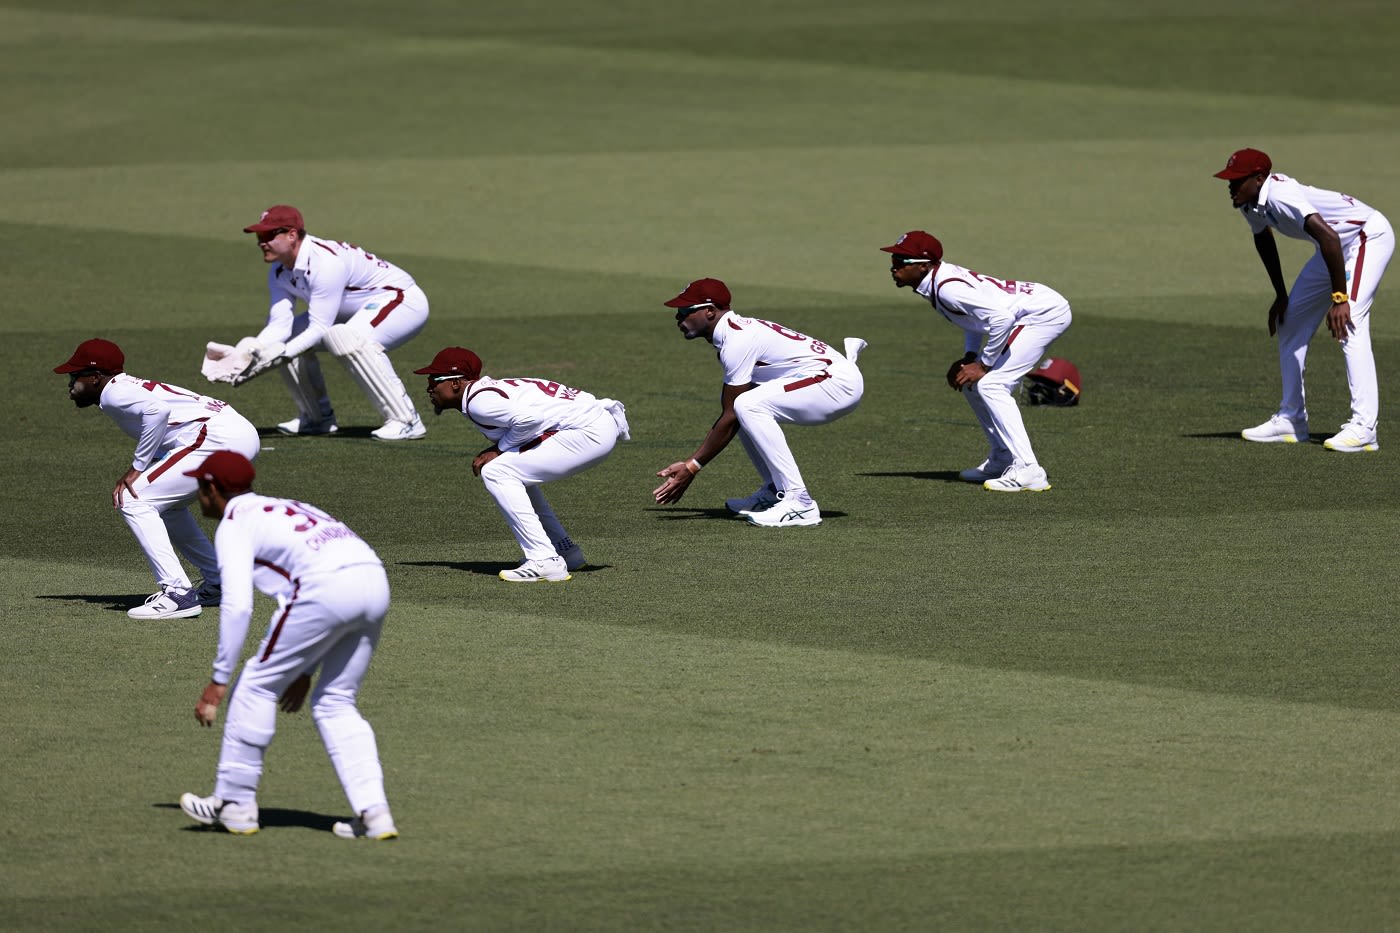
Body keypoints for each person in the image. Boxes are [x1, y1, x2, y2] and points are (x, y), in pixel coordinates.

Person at [178, 450, 398, 840]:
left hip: (326, 587)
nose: (198, 495)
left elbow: (238, 606)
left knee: (255, 686)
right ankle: (374, 813)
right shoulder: (286, 505)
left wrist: (218, 680)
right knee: (336, 701)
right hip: (373, 580)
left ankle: (235, 804)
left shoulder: (234, 524)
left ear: (212, 489)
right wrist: (303, 669)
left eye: (200, 486)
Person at [54, 338, 260, 619]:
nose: (70, 384)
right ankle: (219, 583)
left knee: (132, 497)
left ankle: (178, 593)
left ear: (95, 377)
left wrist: (137, 467)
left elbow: (157, 411)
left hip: (217, 437)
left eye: (75, 376)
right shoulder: (125, 387)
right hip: (233, 434)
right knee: (167, 507)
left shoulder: (114, 392)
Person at [1214, 148, 1394, 451]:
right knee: (1291, 322)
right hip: (1332, 249)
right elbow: (1263, 239)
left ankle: (1364, 428)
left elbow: (1329, 236)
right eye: (1229, 180)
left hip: (1366, 236)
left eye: (1237, 180)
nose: (1231, 186)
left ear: (1259, 179)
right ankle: (1292, 419)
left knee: (1349, 321)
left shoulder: (1280, 196)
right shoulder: (1249, 203)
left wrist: (1340, 299)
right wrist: (1280, 295)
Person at [651, 278, 866, 526]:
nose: (678, 317)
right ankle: (777, 490)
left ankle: (801, 502)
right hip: (823, 378)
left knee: (746, 405)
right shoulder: (733, 333)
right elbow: (731, 414)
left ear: (709, 311)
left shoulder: (738, 340)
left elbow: (730, 414)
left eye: (685, 311)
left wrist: (692, 466)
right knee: (744, 406)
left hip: (836, 383)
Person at [414, 347, 630, 582]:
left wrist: (498, 449)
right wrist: (500, 450)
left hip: (587, 431)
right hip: (593, 425)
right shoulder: (483, 394)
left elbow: (530, 420)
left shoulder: (479, 402)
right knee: (510, 470)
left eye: (434, 380)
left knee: (497, 471)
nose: (429, 387)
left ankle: (544, 560)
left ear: (456, 383)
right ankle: (565, 551)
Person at [881, 231, 1072, 492]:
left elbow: (1001, 319)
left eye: (900, 261)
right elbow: (975, 320)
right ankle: (1003, 457)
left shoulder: (948, 288)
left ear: (923, 266)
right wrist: (970, 357)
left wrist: (983, 365)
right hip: (1027, 311)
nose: (893, 267)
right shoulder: (935, 281)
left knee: (992, 384)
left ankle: (1029, 470)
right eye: (893, 260)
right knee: (971, 384)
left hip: (1042, 314)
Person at [235, 204, 429, 441]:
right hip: (349, 311)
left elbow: (320, 328)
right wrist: (246, 354)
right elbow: (279, 325)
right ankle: (317, 419)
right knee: (290, 337)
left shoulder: (324, 262)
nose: (261, 242)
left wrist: (281, 354)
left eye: (268, 235)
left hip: (400, 300)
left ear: (292, 235)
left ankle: (407, 420)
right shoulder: (279, 270)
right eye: (259, 237)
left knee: (346, 338)